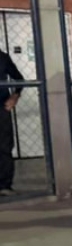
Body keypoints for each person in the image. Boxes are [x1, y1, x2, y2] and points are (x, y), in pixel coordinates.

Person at [0, 48, 25, 196]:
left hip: (1, 106)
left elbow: (19, 79)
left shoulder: (2, 57)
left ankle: (4, 185)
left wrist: (15, 96)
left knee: (4, 146)